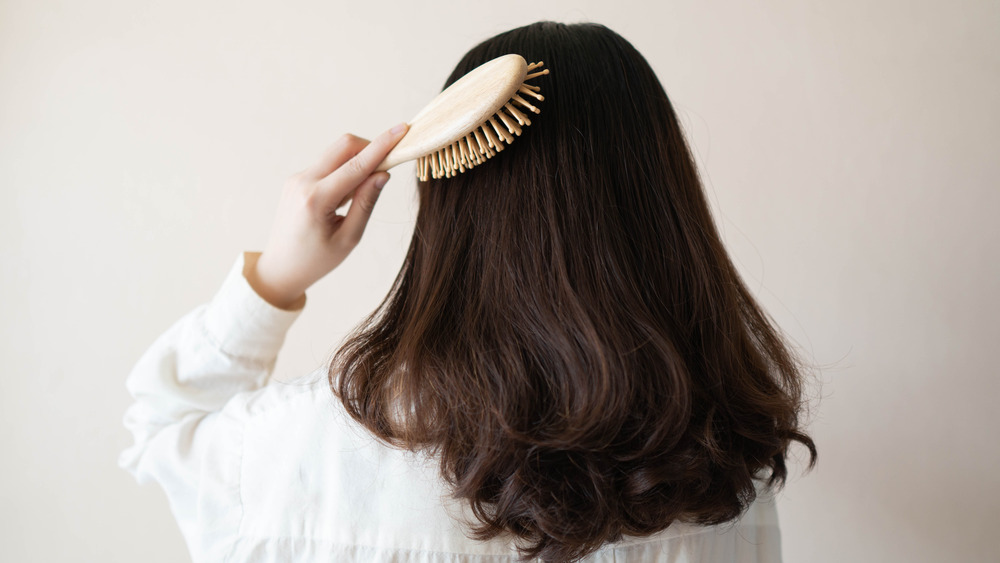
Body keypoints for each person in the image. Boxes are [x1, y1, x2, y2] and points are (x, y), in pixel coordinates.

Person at [120, 21, 816, 563]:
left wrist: (274, 278)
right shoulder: (722, 473)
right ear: (664, 212)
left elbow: (162, 431)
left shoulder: (300, 451)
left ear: (449, 207)